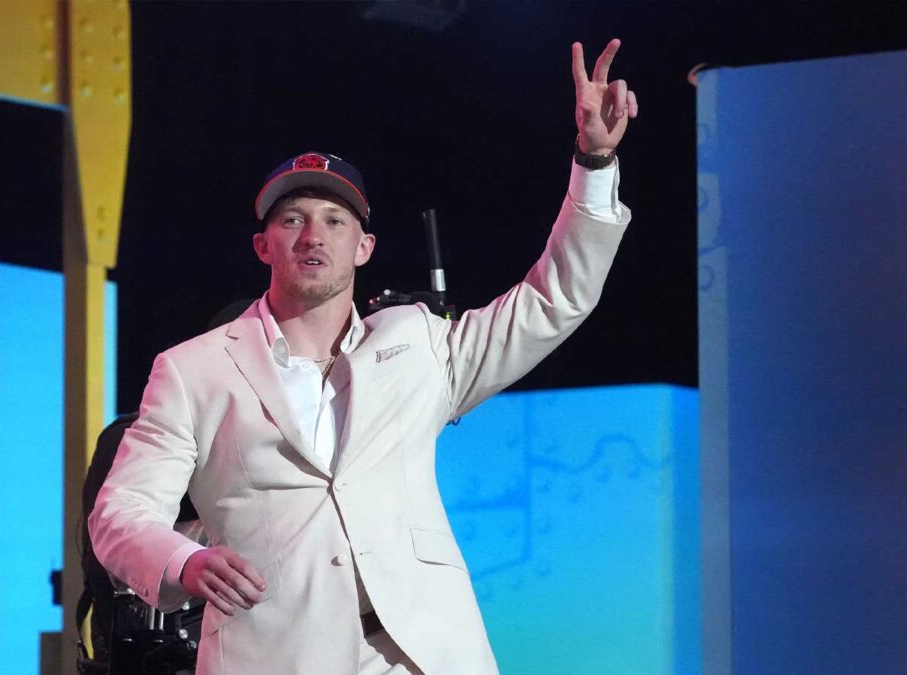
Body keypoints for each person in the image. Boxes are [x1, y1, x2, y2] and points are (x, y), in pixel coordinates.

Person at [89, 39, 639, 674]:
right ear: (263, 245)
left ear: (364, 247)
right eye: (292, 220)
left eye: (334, 220)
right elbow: (121, 512)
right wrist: (186, 561)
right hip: (278, 655)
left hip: (421, 656)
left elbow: (555, 299)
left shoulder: (417, 344)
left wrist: (594, 162)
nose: (313, 236)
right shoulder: (193, 370)